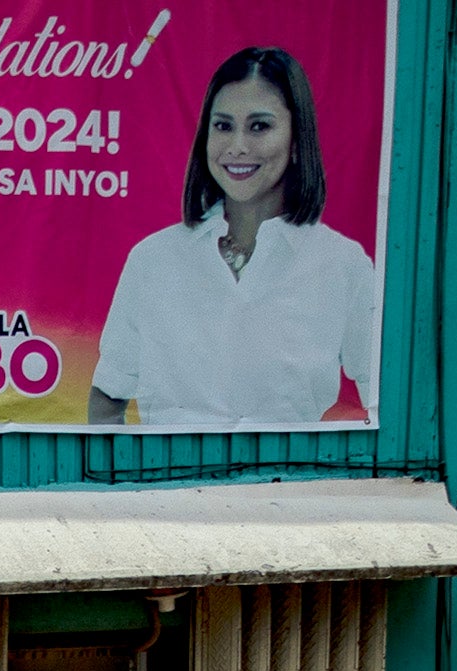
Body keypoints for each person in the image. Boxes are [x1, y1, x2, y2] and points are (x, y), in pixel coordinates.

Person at [88, 45, 378, 429]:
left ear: (296, 140)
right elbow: (108, 396)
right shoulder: (153, 260)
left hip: (289, 484)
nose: (237, 146)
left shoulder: (344, 265)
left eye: (260, 126)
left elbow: (383, 400)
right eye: (223, 126)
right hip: (168, 485)